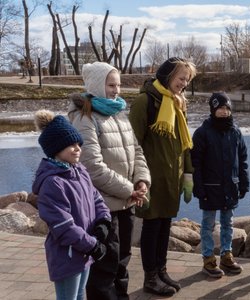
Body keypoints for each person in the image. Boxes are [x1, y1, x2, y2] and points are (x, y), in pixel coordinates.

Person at [67, 62, 151, 300]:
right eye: (111, 84)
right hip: (103, 207)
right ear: (96, 85)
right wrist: (129, 190)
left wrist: (142, 180)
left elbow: (137, 151)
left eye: (119, 85)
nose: (117, 90)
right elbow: (92, 167)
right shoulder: (85, 118)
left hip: (126, 202)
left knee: (122, 261)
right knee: (104, 267)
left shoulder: (119, 114)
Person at [129, 57, 197, 296]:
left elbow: (184, 143)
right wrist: (138, 178)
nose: (184, 84)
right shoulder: (144, 101)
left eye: (187, 80)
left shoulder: (178, 103)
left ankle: (161, 270)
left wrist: (188, 173)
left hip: (172, 177)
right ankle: (150, 278)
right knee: (151, 227)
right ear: (168, 76)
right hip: (151, 178)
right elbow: (133, 144)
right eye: (181, 78)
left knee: (165, 225)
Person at [32, 110, 111, 300]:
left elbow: (96, 198)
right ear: (55, 149)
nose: (77, 148)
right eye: (70, 145)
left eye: (78, 144)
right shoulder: (53, 183)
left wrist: (103, 222)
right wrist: (92, 244)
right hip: (67, 255)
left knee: (80, 294)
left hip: (84, 250)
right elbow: (62, 225)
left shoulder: (79, 170)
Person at [191, 92, 250, 278]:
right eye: (220, 108)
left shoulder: (236, 132)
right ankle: (208, 259)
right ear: (213, 109)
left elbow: (243, 160)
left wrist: (244, 182)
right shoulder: (202, 133)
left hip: (230, 186)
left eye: (227, 108)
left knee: (228, 223)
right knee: (208, 224)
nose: (224, 112)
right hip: (210, 187)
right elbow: (196, 164)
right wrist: (198, 186)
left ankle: (226, 255)